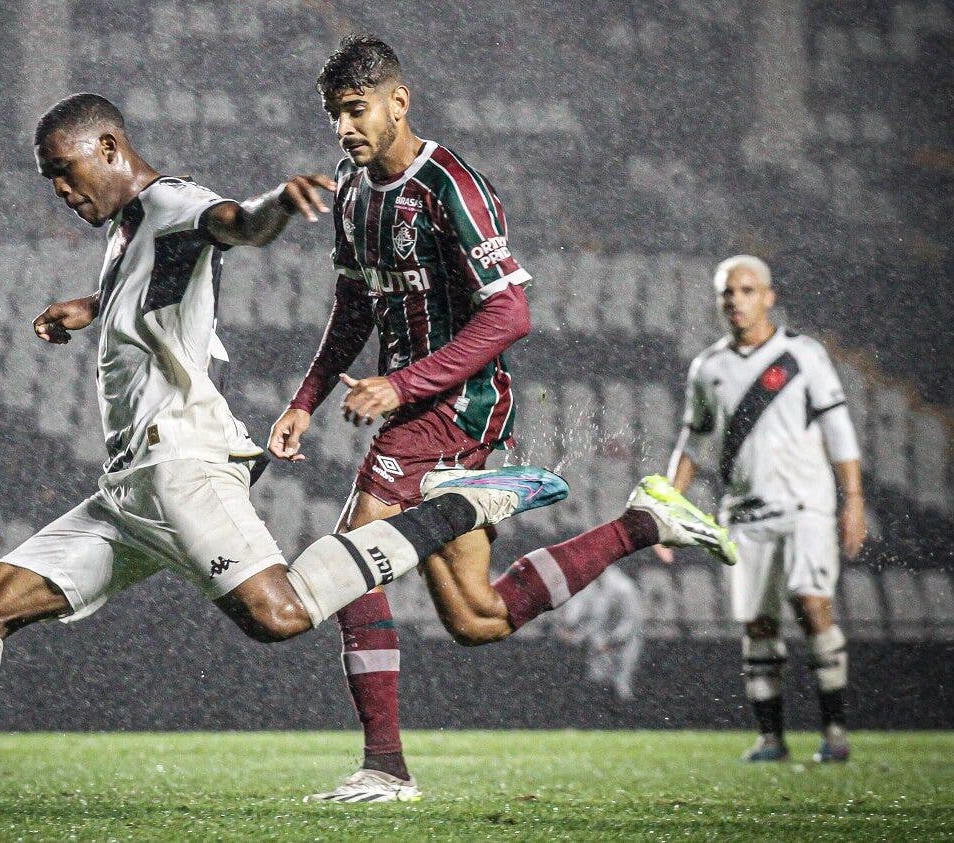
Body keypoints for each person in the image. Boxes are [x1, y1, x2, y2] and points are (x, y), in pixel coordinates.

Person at [0, 92, 569, 807]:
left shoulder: (172, 201)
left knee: (279, 615)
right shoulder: (129, 228)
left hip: (181, 469)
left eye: (65, 174)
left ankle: (465, 504)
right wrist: (92, 308)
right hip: (127, 489)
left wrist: (275, 208)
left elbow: (229, 222)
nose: (61, 194)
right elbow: (153, 289)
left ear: (107, 147)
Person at [267, 36, 739, 804]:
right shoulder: (354, 195)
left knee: (356, 551)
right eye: (334, 115)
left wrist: (400, 384)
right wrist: (303, 400)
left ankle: (385, 767)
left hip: (455, 405)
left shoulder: (452, 184)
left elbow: (511, 311)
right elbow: (354, 309)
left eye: (356, 110)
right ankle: (641, 524)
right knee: (478, 616)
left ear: (399, 101)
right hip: (418, 406)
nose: (346, 128)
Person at [657, 254, 865, 763]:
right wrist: (667, 507)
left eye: (747, 290)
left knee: (811, 602)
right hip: (745, 512)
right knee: (757, 624)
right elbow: (694, 439)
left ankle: (834, 733)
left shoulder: (803, 355)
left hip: (805, 505)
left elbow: (838, 428)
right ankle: (772, 739)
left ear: (768, 296)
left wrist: (852, 499)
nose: (737, 300)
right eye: (728, 292)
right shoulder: (709, 367)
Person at [557, 566, 644, 702]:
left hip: (625, 645)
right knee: (597, 683)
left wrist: (611, 643)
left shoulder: (624, 588)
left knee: (621, 686)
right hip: (600, 645)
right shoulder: (595, 588)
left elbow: (631, 622)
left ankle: (626, 716)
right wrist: (575, 637)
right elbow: (594, 622)